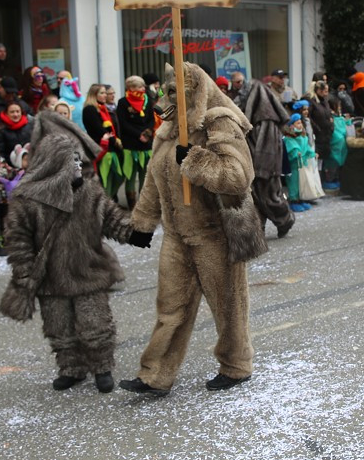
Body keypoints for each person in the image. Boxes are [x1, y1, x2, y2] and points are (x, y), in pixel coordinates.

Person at [120, 62, 265, 397]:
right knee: (170, 308)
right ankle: (155, 375)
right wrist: (142, 223)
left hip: (214, 234)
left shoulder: (219, 121)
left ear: (193, 91)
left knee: (228, 307)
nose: (164, 99)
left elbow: (238, 176)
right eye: (164, 91)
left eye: (173, 92)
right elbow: (152, 182)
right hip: (176, 236)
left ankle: (236, 365)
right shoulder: (168, 129)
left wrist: (197, 160)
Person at [0, 113, 140, 394]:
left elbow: (113, 220)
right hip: (51, 278)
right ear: (54, 164)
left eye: (78, 158)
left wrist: (138, 233)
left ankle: (102, 367)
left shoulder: (90, 193)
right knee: (59, 327)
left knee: (95, 324)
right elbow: (17, 240)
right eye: (72, 159)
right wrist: (25, 270)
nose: (79, 164)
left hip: (89, 270)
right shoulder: (28, 200)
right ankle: (71, 368)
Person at [242, 78, 295, 238]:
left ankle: (285, 220)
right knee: (256, 199)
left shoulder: (267, 121)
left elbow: (269, 148)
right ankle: (259, 229)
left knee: (271, 198)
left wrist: (262, 169)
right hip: (254, 166)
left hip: (265, 168)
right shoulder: (257, 119)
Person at [115, 75, 157, 209]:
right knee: (131, 175)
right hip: (131, 144)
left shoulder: (147, 100)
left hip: (146, 143)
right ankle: (132, 206)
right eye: (139, 87)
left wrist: (148, 132)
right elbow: (123, 123)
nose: (142, 89)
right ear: (131, 88)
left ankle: (144, 205)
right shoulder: (123, 102)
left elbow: (152, 119)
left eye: (143, 86)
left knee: (145, 175)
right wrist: (138, 134)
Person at [82, 83, 123, 201]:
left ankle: (108, 201)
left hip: (111, 148)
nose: (106, 95)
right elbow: (99, 130)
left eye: (105, 92)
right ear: (94, 95)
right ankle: (105, 203)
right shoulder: (90, 109)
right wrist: (113, 140)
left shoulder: (103, 108)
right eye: (102, 93)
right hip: (101, 148)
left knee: (118, 177)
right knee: (105, 179)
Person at [283, 115, 318, 212]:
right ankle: (293, 201)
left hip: (303, 164)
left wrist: (312, 153)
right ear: (291, 126)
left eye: (300, 122)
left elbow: (307, 148)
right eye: (298, 123)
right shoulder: (288, 138)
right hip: (294, 166)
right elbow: (292, 149)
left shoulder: (303, 137)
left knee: (302, 183)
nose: (300, 125)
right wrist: (296, 153)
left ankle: (301, 199)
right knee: (294, 183)